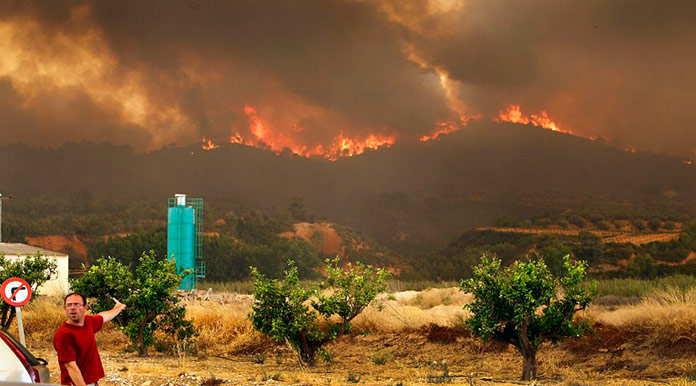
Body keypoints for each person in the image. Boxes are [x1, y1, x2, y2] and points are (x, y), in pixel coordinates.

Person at [53, 293, 126, 386]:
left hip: (92, 382)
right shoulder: (64, 334)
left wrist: (118, 308)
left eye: (77, 304)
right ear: (65, 308)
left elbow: (104, 316)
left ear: (85, 307)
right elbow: (70, 366)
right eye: (69, 305)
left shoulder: (88, 322)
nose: (72, 308)